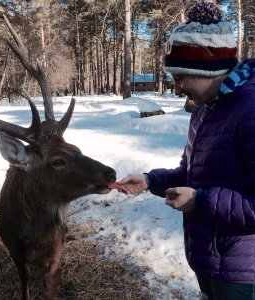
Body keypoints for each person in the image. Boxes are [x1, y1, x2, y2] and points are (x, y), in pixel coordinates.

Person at [117, 1, 255, 300]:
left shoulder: (250, 111)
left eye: (179, 78)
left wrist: (202, 201)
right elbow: (190, 173)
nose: (176, 89)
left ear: (209, 69)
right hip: (208, 259)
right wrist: (151, 180)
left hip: (244, 273)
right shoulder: (204, 111)